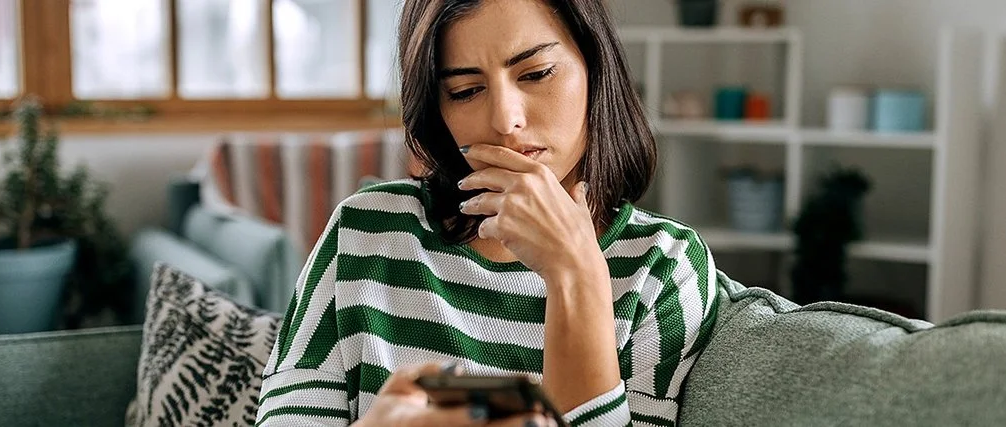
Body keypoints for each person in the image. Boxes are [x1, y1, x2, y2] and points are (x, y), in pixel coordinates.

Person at [255, 0, 718, 425]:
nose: (505, 120)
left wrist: (576, 273)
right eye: (465, 90)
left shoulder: (664, 266)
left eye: (536, 74)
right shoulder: (364, 230)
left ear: (596, 67)